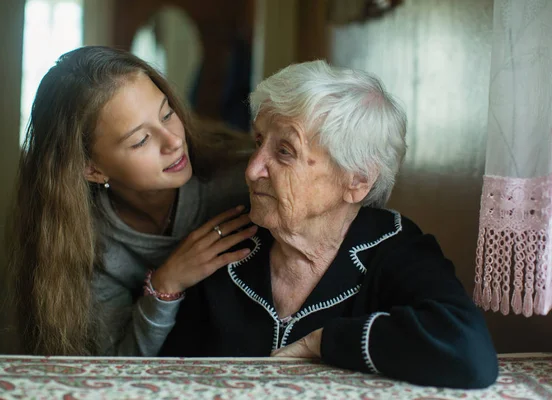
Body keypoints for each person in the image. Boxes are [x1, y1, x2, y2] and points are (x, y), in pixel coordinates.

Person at [156, 61, 499, 389]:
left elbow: (468, 352)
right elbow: (170, 375)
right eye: (259, 142)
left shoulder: (393, 247)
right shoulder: (227, 243)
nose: (252, 169)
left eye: (285, 151)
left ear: (357, 181)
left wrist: (323, 342)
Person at [6, 46, 257, 356]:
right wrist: (165, 284)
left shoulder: (244, 182)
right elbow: (114, 368)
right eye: (141, 140)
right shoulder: (86, 243)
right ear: (92, 169)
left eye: (167, 114)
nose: (174, 141)